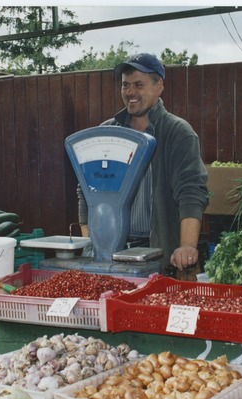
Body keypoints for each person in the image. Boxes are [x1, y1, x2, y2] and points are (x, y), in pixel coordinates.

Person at [77, 52, 209, 277]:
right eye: (125, 85)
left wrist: (187, 246)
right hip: (114, 255)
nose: (130, 92)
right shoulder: (108, 133)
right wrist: (91, 242)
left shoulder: (177, 132)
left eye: (139, 84)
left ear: (159, 87)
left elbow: (191, 190)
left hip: (160, 255)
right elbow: (87, 190)